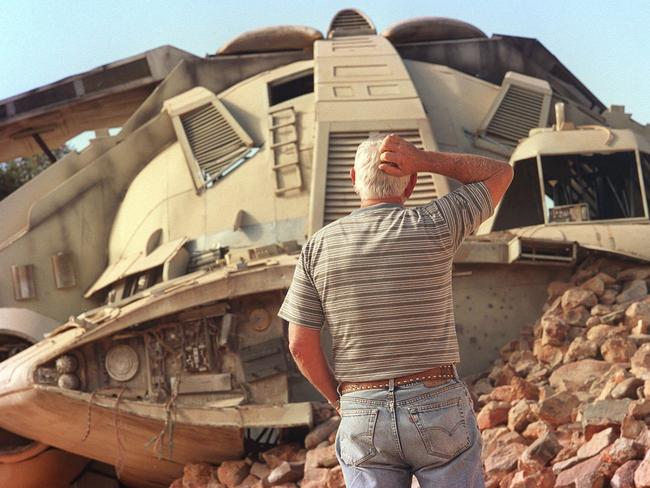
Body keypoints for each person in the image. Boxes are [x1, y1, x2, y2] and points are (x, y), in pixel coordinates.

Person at [278, 134, 513, 487]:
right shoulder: (437, 222)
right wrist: (424, 159)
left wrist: (340, 400)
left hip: (360, 406)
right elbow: (500, 172)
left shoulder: (318, 247)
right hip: (436, 400)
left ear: (354, 179)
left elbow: (299, 345)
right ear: (411, 182)